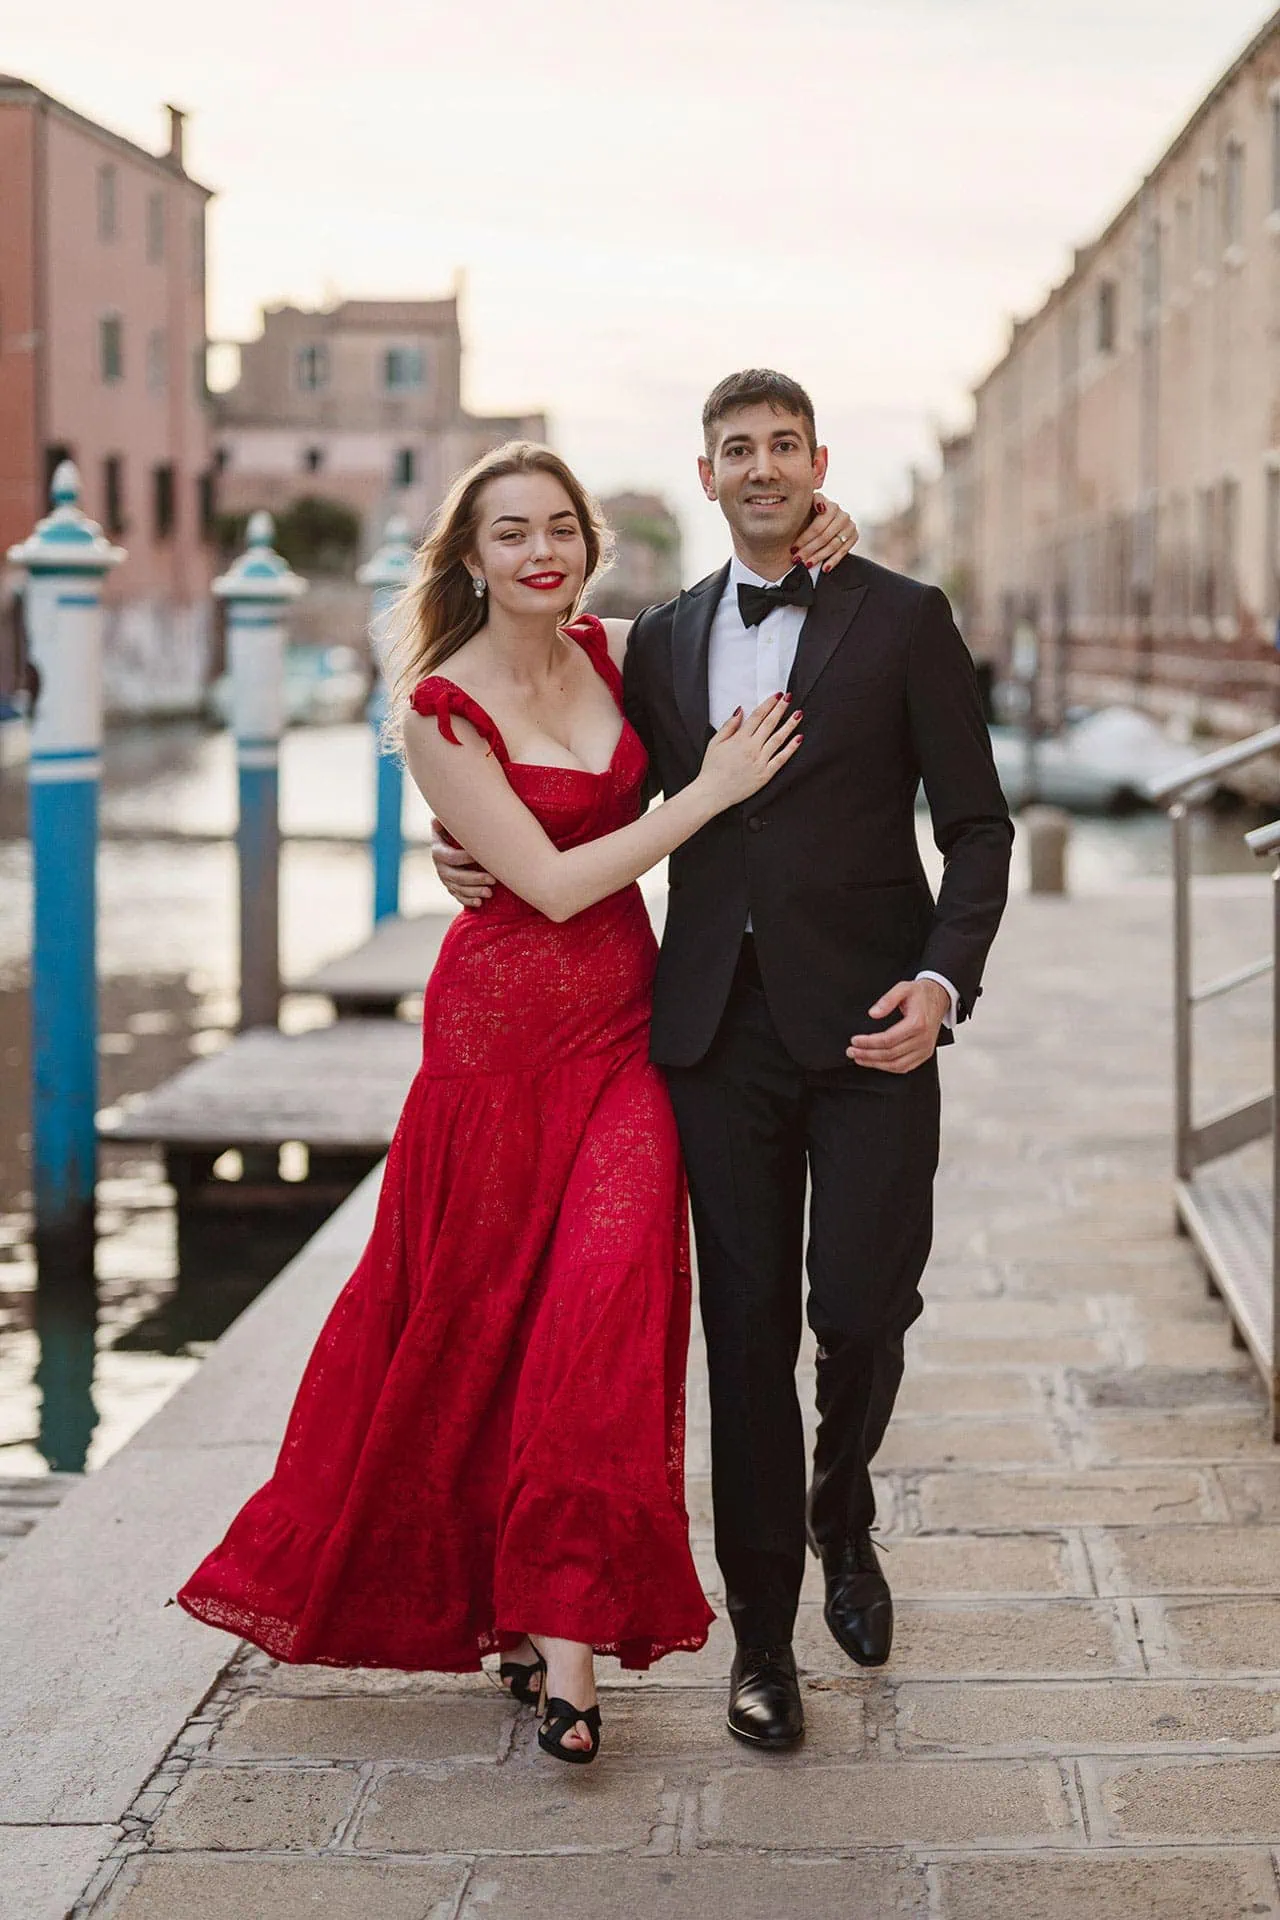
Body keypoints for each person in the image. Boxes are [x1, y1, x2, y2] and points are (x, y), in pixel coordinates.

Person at [177, 439, 856, 1766]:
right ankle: (523, 1617)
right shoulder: (439, 706)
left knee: (601, 1319)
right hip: (494, 1043)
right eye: (508, 533)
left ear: (588, 544)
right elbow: (547, 887)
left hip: (625, 1036)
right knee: (478, 1321)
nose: (539, 549)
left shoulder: (623, 654)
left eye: (559, 527)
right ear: (471, 558)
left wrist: (815, 526)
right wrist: (706, 793)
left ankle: (569, 1648)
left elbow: (759, 618)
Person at [434, 370, 1013, 1749]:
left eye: (783, 448)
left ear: (819, 460)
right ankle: (763, 1645)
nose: (761, 468)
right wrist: (463, 846)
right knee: (743, 1344)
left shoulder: (907, 619)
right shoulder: (659, 643)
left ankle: (844, 1508)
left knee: (862, 1315)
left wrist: (943, 980)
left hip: (878, 1027)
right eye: (735, 450)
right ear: (703, 476)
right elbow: (538, 729)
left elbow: (980, 827)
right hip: (705, 1038)